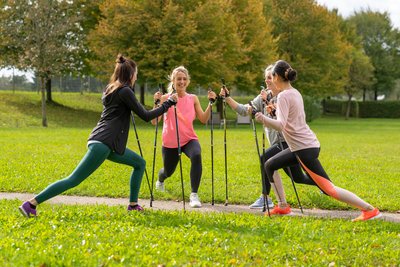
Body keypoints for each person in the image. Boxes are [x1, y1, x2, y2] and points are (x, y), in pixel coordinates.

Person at [18, 54, 178, 217]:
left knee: (139, 163)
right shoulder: (125, 91)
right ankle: (31, 203)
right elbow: (145, 116)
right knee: (74, 179)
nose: (137, 77)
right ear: (131, 74)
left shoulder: (112, 88)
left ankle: (133, 205)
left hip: (105, 142)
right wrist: (168, 103)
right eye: (136, 73)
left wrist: (158, 103)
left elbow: (134, 109)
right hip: (104, 143)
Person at [255, 59, 381, 221]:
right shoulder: (294, 93)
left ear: (277, 77)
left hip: (303, 149)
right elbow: (289, 121)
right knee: (269, 164)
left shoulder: (284, 96)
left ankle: (370, 210)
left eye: (272, 77)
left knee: (330, 189)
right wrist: (273, 113)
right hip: (301, 146)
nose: (270, 81)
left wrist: (262, 118)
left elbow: (280, 125)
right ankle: (283, 206)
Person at [219, 65, 317, 211]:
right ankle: (323, 184)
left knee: (265, 159)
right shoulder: (264, 96)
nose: (266, 80)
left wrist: (268, 105)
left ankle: (266, 198)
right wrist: (227, 98)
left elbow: (281, 121)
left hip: (287, 142)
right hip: (277, 143)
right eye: (265, 77)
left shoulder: (284, 95)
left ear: (277, 78)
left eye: (269, 77)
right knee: (298, 178)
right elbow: (245, 110)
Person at [152, 66, 217, 208]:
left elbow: (203, 119)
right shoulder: (165, 98)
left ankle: (194, 195)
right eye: (178, 79)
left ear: (187, 81)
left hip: (189, 139)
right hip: (170, 142)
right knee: (168, 171)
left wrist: (211, 104)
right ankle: (160, 179)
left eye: (184, 79)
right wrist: (156, 103)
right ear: (173, 81)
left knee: (196, 155)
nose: (181, 82)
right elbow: (154, 121)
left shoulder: (193, 98)